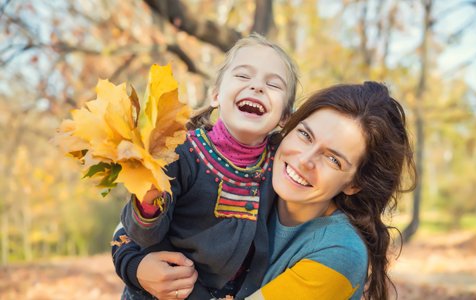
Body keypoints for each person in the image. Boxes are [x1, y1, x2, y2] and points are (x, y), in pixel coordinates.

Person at [114, 81, 416, 300]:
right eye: (305, 135)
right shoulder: (249, 169)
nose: (305, 160)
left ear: (355, 183)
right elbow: (134, 219)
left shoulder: (339, 254)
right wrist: (136, 267)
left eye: (333, 159)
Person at [112, 33, 299, 300]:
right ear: (215, 95)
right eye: (244, 76)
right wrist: (148, 201)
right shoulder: (181, 153)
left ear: (284, 117)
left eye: (273, 84)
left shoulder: (279, 165)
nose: (257, 87)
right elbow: (142, 236)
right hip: (164, 291)